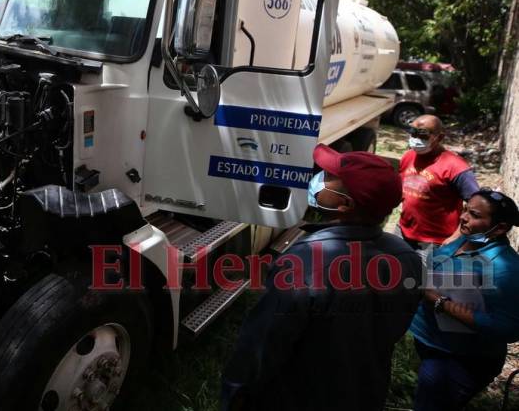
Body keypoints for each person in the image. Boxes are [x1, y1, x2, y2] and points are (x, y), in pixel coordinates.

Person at [221, 144, 422, 411]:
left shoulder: (304, 265)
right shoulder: (406, 258)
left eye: (326, 177)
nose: (317, 178)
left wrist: (236, 394)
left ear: (344, 205)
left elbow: (263, 345)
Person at [410, 188, 519, 411]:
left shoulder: (504, 268)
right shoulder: (465, 238)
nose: (463, 217)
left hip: (460, 361)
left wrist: (440, 302)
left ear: (500, 228)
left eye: (475, 215)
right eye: (465, 210)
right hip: (433, 345)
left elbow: (508, 328)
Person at [398, 115, 479, 250]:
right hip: (402, 232)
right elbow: (402, 190)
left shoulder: (456, 167)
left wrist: (456, 236)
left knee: (422, 272)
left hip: (435, 243)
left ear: (439, 138)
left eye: (423, 135)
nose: (415, 139)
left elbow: (477, 207)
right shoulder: (408, 156)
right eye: (413, 133)